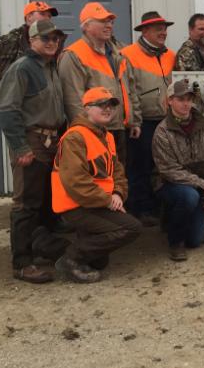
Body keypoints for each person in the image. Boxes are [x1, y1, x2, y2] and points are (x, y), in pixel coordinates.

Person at [0, 20, 68, 283]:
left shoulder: (50, 67)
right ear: (32, 40)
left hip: (51, 141)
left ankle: (43, 250)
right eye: (46, 38)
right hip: (32, 141)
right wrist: (20, 147)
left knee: (46, 200)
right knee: (25, 203)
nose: (51, 42)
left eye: (55, 38)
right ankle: (22, 264)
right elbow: (6, 110)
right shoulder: (22, 68)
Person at [51, 87, 142, 283]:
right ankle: (70, 258)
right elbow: (76, 182)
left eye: (110, 105)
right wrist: (107, 201)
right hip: (77, 205)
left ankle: (51, 245)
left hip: (96, 202)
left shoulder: (106, 136)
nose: (108, 109)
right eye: (101, 105)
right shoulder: (75, 137)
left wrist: (118, 193)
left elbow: (117, 170)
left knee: (100, 262)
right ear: (87, 109)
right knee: (132, 228)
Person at [152, 80, 204, 261]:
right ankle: (175, 243)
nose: (186, 104)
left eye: (189, 99)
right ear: (170, 101)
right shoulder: (162, 132)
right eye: (180, 99)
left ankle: (176, 217)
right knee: (188, 197)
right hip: (172, 184)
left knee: (194, 241)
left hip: (201, 186)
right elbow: (169, 170)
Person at [58, 2, 139, 164]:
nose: (109, 25)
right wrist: (87, 132)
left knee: (117, 177)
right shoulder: (74, 55)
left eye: (110, 22)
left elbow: (130, 89)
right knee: (97, 177)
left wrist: (134, 120)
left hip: (119, 129)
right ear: (86, 26)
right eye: (103, 21)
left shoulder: (117, 54)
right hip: (93, 131)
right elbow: (73, 100)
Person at [120, 12, 177, 226]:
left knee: (162, 165)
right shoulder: (127, 54)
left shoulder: (171, 55)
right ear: (144, 31)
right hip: (143, 120)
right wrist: (134, 120)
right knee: (140, 165)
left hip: (167, 120)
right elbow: (128, 90)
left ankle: (157, 206)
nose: (163, 32)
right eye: (157, 29)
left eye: (164, 29)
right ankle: (140, 208)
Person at [0, 0, 58, 109]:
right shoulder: (10, 41)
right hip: (13, 108)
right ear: (29, 18)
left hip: (43, 109)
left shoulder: (54, 43)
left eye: (49, 16)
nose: (47, 18)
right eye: (42, 14)